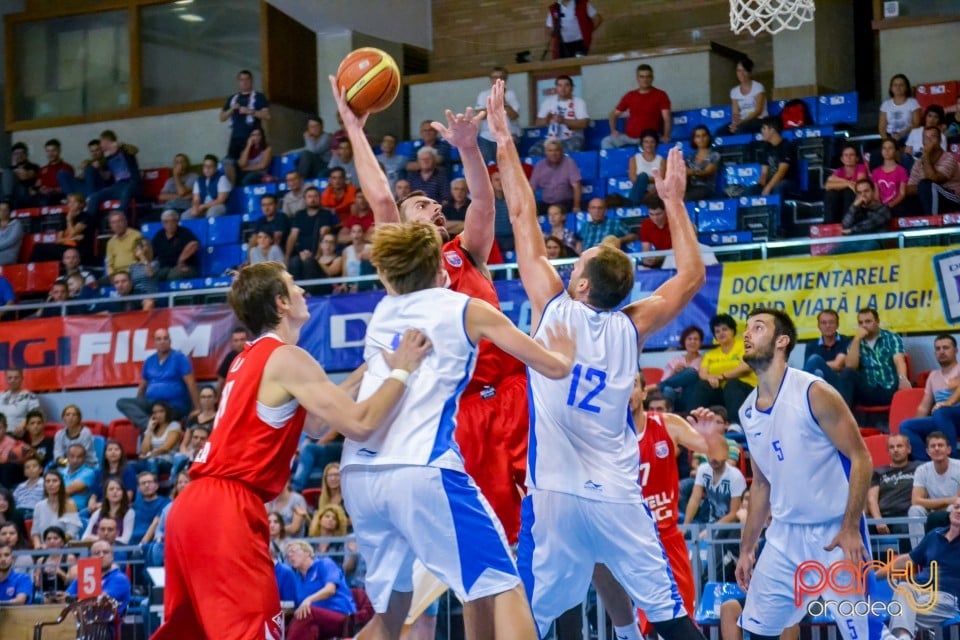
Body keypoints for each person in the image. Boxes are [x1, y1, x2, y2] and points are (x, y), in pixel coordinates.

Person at [489, 79, 705, 640]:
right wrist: (674, 203)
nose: (568, 267)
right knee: (671, 617)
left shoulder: (554, 307)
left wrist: (503, 141)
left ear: (581, 285)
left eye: (576, 263)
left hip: (555, 496)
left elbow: (520, 213)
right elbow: (690, 278)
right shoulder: (632, 326)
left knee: (537, 618)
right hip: (616, 494)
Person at [152, 261, 431, 640]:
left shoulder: (247, 358)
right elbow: (360, 423)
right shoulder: (288, 357)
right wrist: (404, 370)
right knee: (256, 632)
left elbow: (316, 426)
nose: (303, 291)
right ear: (281, 303)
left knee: (192, 632)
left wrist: (369, 370)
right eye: (293, 284)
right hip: (225, 508)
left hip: (193, 506)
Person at [338, 219, 574, 640]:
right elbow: (552, 367)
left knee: (389, 619)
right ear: (440, 268)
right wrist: (566, 348)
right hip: (420, 466)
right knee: (505, 585)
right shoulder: (465, 308)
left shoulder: (383, 312)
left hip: (359, 474)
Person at [331, 74, 533, 552]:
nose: (436, 206)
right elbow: (381, 199)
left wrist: (469, 146)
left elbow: (483, 201)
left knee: (551, 511)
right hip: (464, 408)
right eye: (422, 204)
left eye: (436, 201)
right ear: (400, 228)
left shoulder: (469, 252)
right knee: (496, 535)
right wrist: (355, 130)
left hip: (516, 391)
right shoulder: (402, 269)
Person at [734, 308, 874, 640]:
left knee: (865, 635)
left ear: (782, 341)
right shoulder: (747, 411)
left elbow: (862, 458)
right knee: (757, 629)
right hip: (783, 537)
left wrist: (851, 527)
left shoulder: (814, 392)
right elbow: (762, 485)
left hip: (834, 535)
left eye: (758, 327)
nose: (747, 334)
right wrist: (747, 548)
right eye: (747, 328)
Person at [594, 374, 728, 635]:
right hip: (623, 539)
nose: (625, 391)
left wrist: (711, 436)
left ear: (644, 393)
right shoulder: (601, 434)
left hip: (665, 538)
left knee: (681, 623)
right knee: (633, 626)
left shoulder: (668, 424)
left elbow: (719, 456)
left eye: (632, 384)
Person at [879, 496, 960, 640]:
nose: (958, 511)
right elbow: (907, 559)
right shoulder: (935, 535)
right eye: (957, 507)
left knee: (903, 609)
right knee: (903, 587)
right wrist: (874, 576)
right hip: (920, 589)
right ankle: (903, 637)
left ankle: (893, 635)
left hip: (947, 596)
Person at [116, 328, 200, 428]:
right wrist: (139, 405)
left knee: (160, 413)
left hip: (173, 406)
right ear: (154, 343)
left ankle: (151, 424)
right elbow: (142, 387)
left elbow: (191, 384)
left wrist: (197, 408)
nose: (162, 342)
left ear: (170, 341)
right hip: (153, 404)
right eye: (159, 339)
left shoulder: (180, 358)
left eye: (165, 338)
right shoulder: (149, 361)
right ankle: (148, 424)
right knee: (121, 402)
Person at [899, 334, 960, 458]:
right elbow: (924, 407)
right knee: (906, 426)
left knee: (941, 412)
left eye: (946, 348)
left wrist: (948, 403)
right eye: (938, 349)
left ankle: (952, 459)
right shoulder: (933, 376)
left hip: (956, 415)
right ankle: (928, 465)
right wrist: (918, 422)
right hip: (941, 420)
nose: (941, 352)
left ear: (956, 350)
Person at [687, 314, 757, 421]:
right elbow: (702, 374)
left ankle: (735, 424)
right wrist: (710, 378)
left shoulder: (745, 345)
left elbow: (747, 366)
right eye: (717, 331)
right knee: (703, 385)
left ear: (733, 331)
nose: (721, 333)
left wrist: (722, 376)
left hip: (745, 390)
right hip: (722, 393)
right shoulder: (710, 354)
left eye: (725, 329)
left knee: (732, 383)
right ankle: (692, 420)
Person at [837, 307, 911, 409]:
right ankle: (843, 417)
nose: (864, 325)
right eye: (861, 322)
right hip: (868, 390)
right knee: (846, 373)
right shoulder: (855, 342)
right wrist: (857, 339)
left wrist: (903, 379)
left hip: (890, 389)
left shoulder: (891, 338)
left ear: (877, 322)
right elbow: (850, 366)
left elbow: (899, 361)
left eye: (868, 321)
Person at [285, 540, 357, 640]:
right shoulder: (297, 578)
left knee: (308, 613)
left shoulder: (325, 564)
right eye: (287, 555)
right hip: (316, 621)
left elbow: (330, 589)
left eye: (293, 551)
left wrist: (309, 599)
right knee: (300, 624)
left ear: (307, 552)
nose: (290, 556)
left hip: (341, 616)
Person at [907, 432, 960, 547]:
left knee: (954, 508)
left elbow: (958, 501)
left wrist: (948, 502)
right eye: (933, 446)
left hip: (953, 510)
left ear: (949, 450)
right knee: (915, 510)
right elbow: (916, 501)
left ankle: (951, 550)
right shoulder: (922, 470)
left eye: (940, 445)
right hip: (931, 511)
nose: (936, 449)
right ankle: (919, 553)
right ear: (928, 452)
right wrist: (947, 500)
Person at [602, 64, 672, 148]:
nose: (645, 80)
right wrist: (613, 130)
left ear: (652, 78)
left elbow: (667, 119)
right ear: (637, 79)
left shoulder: (661, 95)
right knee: (607, 141)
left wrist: (666, 136)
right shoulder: (630, 95)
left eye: (648, 76)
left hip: (650, 138)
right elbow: (613, 114)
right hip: (629, 138)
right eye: (642, 77)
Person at [220, 69, 270, 184]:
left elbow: (267, 115)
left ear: (251, 81)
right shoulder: (232, 99)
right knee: (228, 162)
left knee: (247, 167)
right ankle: (233, 190)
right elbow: (222, 118)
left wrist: (250, 111)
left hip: (252, 137)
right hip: (235, 138)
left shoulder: (258, 96)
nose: (244, 82)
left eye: (247, 79)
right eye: (241, 80)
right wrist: (232, 109)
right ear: (238, 82)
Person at [867, 434, 921, 541]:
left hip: (906, 515)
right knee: (862, 525)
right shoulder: (878, 471)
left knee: (904, 527)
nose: (895, 450)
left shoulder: (919, 468)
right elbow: (872, 499)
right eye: (891, 447)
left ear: (909, 449)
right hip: (883, 516)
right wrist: (878, 520)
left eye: (899, 446)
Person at [85, 130, 141, 222]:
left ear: (106, 141)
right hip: (118, 185)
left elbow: (135, 150)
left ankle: (119, 223)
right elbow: (106, 177)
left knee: (125, 194)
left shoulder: (124, 150)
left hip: (132, 183)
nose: (101, 145)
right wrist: (97, 167)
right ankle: (88, 223)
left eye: (101, 142)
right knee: (94, 197)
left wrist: (121, 145)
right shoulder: (108, 158)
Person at [63, 540, 131, 614]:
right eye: (96, 553)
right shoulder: (84, 577)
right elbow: (66, 596)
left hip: (106, 623)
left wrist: (73, 599)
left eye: (105, 552)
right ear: (91, 557)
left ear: (112, 556)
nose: (101, 555)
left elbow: (101, 600)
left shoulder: (120, 579)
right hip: (80, 619)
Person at [906, 125, 960, 215]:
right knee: (909, 200)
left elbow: (933, 179)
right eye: (926, 138)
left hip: (952, 199)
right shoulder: (918, 162)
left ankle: (931, 221)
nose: (929, 141)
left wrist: (926, 155)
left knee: (926, 184)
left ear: (940, 141)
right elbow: (909, 189)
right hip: (929, 198)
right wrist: (922, 189)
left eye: (933, 137)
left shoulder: (949, 158)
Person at [530, 75, 589, 155]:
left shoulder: (579, 102)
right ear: (556, 88)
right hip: (552, 139)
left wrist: (564, 121)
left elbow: (584, 123)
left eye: (566, 85)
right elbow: (537, 123)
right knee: (534, 150)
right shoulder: (548, 102)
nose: (563, 88)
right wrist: (546, 119)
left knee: (562, 150)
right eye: (560, 85)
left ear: (572, 88)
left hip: (572, 138)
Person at [830, 179, 891, 254]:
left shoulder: (883, 209)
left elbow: (870, 224)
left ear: (873, 191)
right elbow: (845, 225)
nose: (863, 195)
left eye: (866, 191)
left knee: (868, 248)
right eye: (859, 193)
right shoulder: (856, 208)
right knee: (833, 254)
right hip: (853, 241)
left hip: (873, 242)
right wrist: (854, 206)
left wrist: (852, 230)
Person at [475, 67, 520, 163]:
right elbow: (480, 115)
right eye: (495, 77)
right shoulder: (483, 94)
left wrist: (503, 102)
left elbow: (514, 116)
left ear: (506, 79)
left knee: (508, 167)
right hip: (487, 137)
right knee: (488, 169)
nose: (498, 80)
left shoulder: (511, 94)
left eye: (501, 77)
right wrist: (494, 104)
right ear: (490, 79)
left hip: (507, 137)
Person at [801, 309, 850, 396]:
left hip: (838, 384)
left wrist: (818, 364)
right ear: (819, 326)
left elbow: (837, 365)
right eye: (824, 323)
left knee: (814, 360)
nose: (827, 326)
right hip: (819, 385)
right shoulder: (811, 345)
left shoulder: (845, 341)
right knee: (817, 373)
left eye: (831, 322)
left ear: (837, 325)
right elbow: (807, 370)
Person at [717, 57, 767, 136]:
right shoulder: (734, 91)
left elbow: (758, 111)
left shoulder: (758, 87)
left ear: (749, 72)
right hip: (742, 122)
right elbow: (735, 113)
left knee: (741, 130)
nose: (741, 74)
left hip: (758, 120)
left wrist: (741, 122)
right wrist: (734, 124)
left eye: (744, 70)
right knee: (720, 133)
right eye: (739, 70)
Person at [530, 141, 582, 215]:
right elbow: (532, 188)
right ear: (545, 152)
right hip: (546, 204)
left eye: (556, 150)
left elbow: (577, 186)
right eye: (550, 150)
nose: (553, 154)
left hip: (565, 203)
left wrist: (576, 206)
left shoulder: (569, 163)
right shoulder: (539, 166)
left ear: (561, 151)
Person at [30, 471, 81, 547]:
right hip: (44, 548)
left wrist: (52, 543)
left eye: (54, 481)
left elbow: (71, 532)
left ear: (61, 484)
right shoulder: (39, 506)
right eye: (48, 481)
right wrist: (38, 547)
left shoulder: (69, 504)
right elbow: (35, 532)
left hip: (65, 547)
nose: (51, 484)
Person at [823, 145, 869, 224]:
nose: (848, 157)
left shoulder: (861, 168)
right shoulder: (839, 171)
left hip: (859, 200)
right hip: (841, 202)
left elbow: (858, 185)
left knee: (848, 192)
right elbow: (827, 186)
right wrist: (848, 183)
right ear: (842, 159)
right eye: (846, 155)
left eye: (851, 155)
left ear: (857, 158)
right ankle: (830, 223)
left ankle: (847, 222)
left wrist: (841, 183)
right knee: (831, 193)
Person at [151, 210, 201, 281]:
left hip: (185, 266)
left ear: (177, 222)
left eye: (172, 221)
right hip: (165, 268)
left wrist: (181, 260)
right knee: (152, 277)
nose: (169, 224)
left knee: (172, 275)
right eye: (166, 222)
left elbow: (194, 244)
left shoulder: (184, 232)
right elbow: (152, 253)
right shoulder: (159, 235)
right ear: (162, 223)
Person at [81, 478, 134, 544]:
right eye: (111, 489)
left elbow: (125, 540)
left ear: (123, 493)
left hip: (117, 549)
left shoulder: (129, 513)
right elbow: (84, 537)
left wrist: (100, 539)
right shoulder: (98, 512)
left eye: (118, 489)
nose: (115, 491)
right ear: (106, 494)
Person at [879, 74, 921, 144]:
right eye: (895, 85)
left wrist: (901, 134)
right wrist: (886, 141)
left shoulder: (913, 103)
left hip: (908, 136)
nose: (898, 88)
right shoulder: (886, 104)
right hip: (890, 137)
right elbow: (882, 127)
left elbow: (916, 124)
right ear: (891, 88)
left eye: (901, 85)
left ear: (906, 87)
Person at [186, 154, 231, 219]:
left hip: (220, 206)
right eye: (205, 166)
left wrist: (203, 206)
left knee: (212, 213)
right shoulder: (199, 180)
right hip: (203, 206)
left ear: (216, 168)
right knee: (186, 216)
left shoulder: (222, 178)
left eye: (210, 166)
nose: (207, 168)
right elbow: (196, 199)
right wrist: (195, 207)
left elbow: (221, 200)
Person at [627, 129, 666, 205]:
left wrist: (644, 180)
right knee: (642, 176)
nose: (649, 145)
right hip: (639, 192)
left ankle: (633, 205)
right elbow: (633, 179)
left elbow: (661, 181)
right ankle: (634, 203)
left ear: (656, 144)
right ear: (642, 144)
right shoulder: (634, 159)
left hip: (655, 193)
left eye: (652, 142)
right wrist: (650, 179)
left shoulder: (662, 160)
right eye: (646, 142)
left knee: (642, 177)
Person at [871, 138, 909, 214]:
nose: (887, 151)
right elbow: (876, 194)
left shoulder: (901, 170)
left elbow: (902, 193)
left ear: (895, 151)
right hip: (881, 207)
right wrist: (880, 207)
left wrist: (890, 205)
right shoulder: (876, 172)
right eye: (884, 148)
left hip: (896, 206)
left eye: (890, 148)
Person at [0, 369, 39, 438]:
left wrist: (23, 424)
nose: (13, 380)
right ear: (6, 380)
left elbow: (36, 415)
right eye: (10, 378)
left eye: (16, 378)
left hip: (18, 434)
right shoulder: (1, 396)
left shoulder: (29, 396)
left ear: (21, 379)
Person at [685, 125, 719, 201]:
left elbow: (708, 172)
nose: (701, 139)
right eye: (698, 136)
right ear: (694, 140)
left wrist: (691, 172)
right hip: (690, 187)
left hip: (706, 188)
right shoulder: (689, 157)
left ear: (709, 137)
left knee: (686, 197)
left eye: (704, 136)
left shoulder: (714, 155)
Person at [297, 115, 333, 180]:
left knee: (306, 154)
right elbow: (305, 149)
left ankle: (300, 180)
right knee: (298, 158)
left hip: (325, 166)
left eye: (316, 126)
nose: (314, 129)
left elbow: (314, 151)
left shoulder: (327, 137)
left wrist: (307, 138)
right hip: (314, 166)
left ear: (322, 127)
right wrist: (287, 153)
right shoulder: (312, 139)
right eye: (311, 127)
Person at [217, 327, 250, 393]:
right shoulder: (229, 357)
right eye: (236, 340)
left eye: (242, 339)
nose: (239, 343)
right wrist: (217, 400)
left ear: (248, 340)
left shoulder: (254, 354)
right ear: (232, 343)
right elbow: (221, 381)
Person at [0, 201, 24, 266]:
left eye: (5, 210)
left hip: (9, 255)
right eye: (0, 210)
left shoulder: (16, 224)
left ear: (10, 212)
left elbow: (10, 241)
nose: (2, 212)